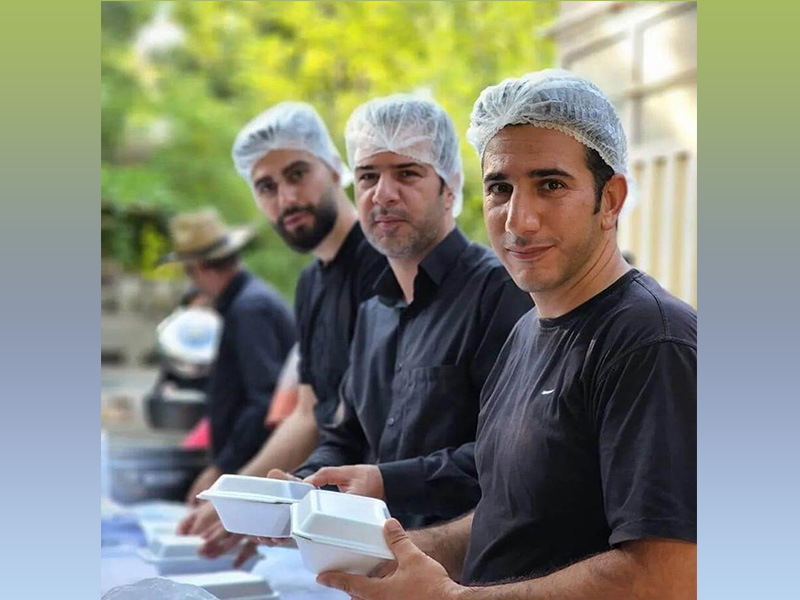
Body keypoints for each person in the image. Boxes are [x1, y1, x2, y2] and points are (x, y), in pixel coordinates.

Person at [317, 70, 697, 599]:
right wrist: (397, 555)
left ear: (610, 199)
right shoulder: (526, 331)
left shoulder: (652, 342)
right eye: (500, 187)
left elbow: (668, 578)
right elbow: (511, 514)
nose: (519, 221)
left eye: (551, 185)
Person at [274, 94, 532, 528]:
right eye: (368, 176)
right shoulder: (374, 310)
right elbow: (345, 433)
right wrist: (304, 486)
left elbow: (509, 455)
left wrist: (386, 482)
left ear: (448, 188)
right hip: (372, 562)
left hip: (468, 578)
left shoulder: (500, 292)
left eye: (407, 173)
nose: (383, 194)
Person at [178, 103, 386, 559]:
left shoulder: (386, 264)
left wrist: (241, 493)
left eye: (297, 175)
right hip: (329, 517)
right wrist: (236, 493)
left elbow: (376, 420)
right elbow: (308, 413)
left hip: (388, 517)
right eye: (266, 187)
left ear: (335, 168)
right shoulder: (311, 282)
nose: (286, 199)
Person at [159, 209, 297, 504]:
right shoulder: (247, 303)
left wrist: (224, 467)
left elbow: (264, 401)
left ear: (201, 269)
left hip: (263, 467)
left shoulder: (250, 309)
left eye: (189, 272)